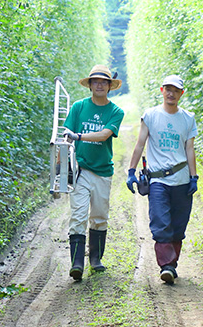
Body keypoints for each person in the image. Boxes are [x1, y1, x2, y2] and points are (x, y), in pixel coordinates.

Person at [127, 74, 198, 284]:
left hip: (182, 179)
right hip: (158, 180)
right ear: (161, 91)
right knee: (160, 222)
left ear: (181, 94)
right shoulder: (150, 115)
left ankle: (172, 265)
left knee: (178, 225)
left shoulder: (188, 118)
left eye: (176, 90)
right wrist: (131, 171)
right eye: (168, 89)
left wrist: (194, 177)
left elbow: (190, 148)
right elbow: (140, 144)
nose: (171, 93)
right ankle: (166, 265)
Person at [63, 64, 124, 281]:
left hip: (102, 172)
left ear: (109, 86)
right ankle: (76, 263)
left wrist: (79, 136)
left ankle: (95, 259)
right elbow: (65, 137)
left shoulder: (116, 111)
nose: (99, 84)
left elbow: (105, 134)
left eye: (104, 81)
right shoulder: (79, 107)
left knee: (99, 217)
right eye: (95, 81)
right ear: (90, 85)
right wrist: (61, 171)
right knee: (78, 215)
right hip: (80, 170)